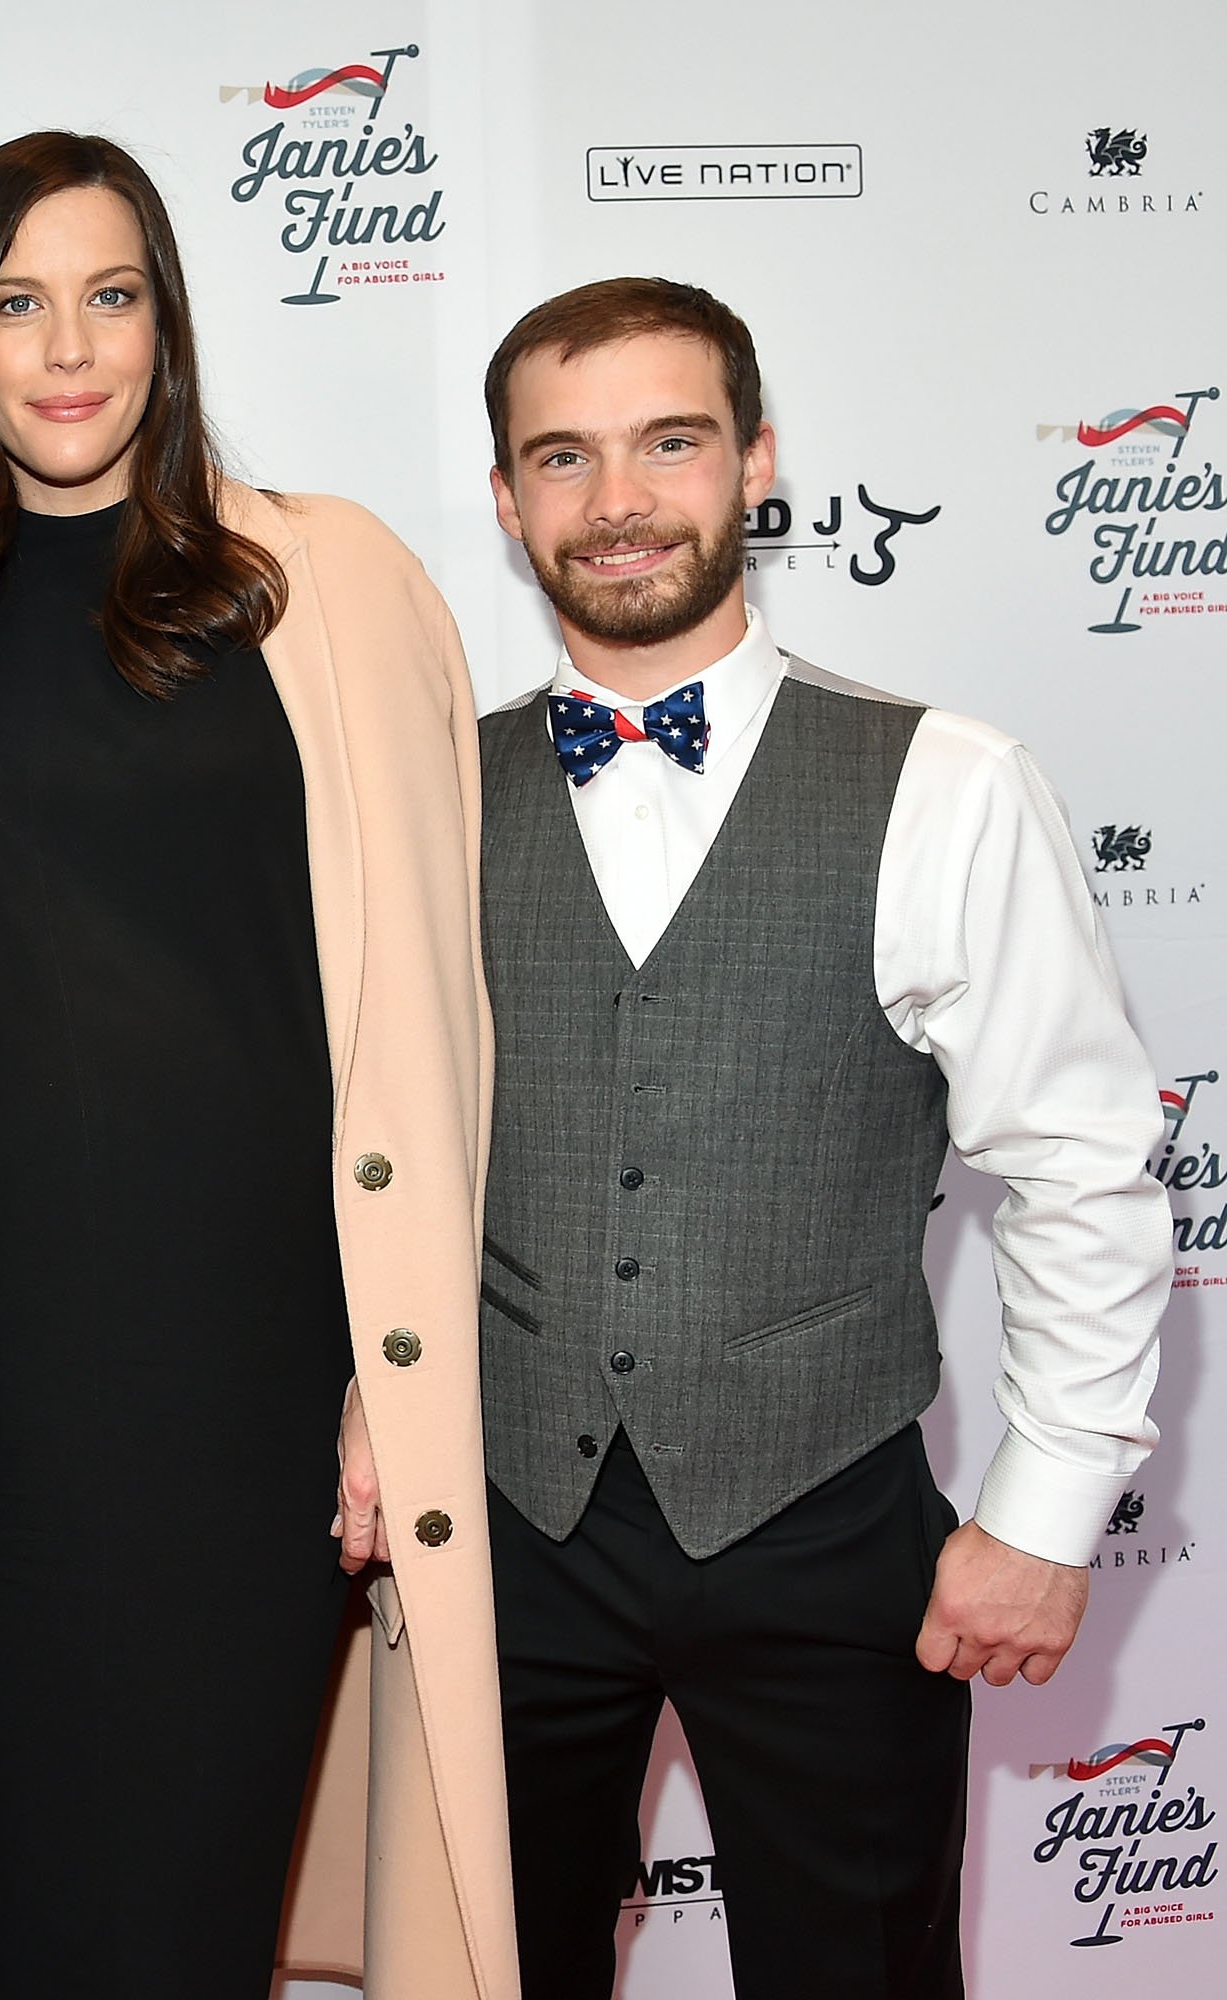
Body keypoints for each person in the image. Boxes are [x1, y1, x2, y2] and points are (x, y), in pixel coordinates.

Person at [0, 131, 518, 1997]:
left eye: (113, 293)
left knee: (196, 1898)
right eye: (18, 301)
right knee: (15, 1910)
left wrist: (395, 1381)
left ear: (168, 320)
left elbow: (429, 1019)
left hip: (258, 1379)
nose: (69, 347)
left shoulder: (320, 581)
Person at [476, 276, 1168, 1998]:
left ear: (757, 463)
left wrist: (1048, 1510)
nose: (617, 500)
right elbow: (355, 1152)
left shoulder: (948, 781)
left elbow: (1079, 1167)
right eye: (563, 457)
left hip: (823, 1515)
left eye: (670, 443)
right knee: (490, 1969)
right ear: (505, 499)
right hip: (497, 1527)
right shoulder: (423, 785)